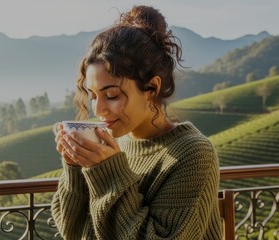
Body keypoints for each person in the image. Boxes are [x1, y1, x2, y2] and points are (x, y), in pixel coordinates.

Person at [51, 5, 222, 240]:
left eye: (112, 95)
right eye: (92, 95)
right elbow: (72, 231)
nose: (98, 109)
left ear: (151, 88)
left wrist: (107, 173)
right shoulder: (111, 144)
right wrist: (75, 166)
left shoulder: (192, 154)